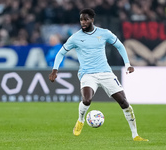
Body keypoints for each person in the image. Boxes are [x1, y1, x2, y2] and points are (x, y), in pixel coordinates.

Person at [49, 8, 148, 141]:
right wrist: (55, 70)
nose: (83, 22)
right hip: (87, 74)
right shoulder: (75, 37)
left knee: (124, 102)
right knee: (87, 100)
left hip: (106, 72)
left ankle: (135, 135)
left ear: (92, 20)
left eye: (86, 19)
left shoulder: (104, 33)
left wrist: (127, 64)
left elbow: (119, 46)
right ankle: (80, 120)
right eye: (81, 20)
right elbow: (61, 52)